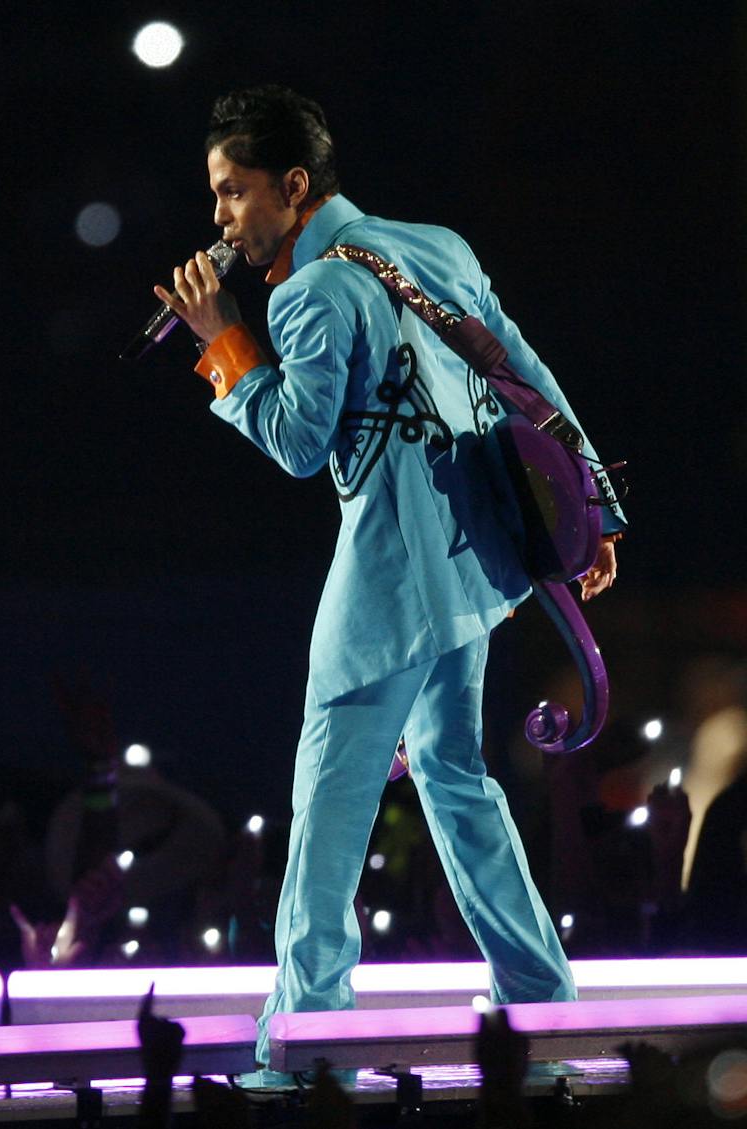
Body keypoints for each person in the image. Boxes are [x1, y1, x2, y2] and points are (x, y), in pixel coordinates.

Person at [152, 84, 626, 1082]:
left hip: (385, 588)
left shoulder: (309, 290)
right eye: (215, 195)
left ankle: (301, 1040)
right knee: (455, 782)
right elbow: (527, 371)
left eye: (233, 193)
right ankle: (541, 1003)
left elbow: (293, 441)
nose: (219, 216)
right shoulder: (435, 245)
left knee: (328, 802)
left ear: (290, 186)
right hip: (474, 560)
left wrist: (220, 342)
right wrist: (591, 504)